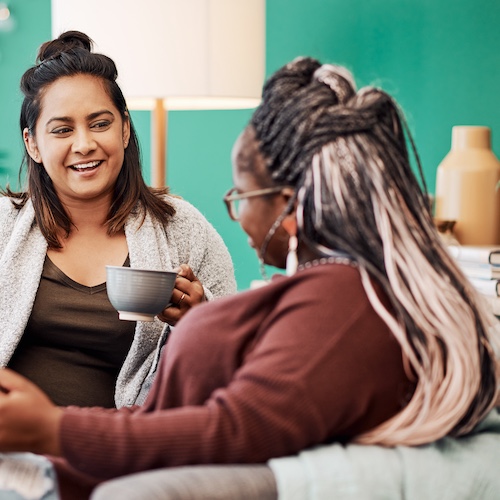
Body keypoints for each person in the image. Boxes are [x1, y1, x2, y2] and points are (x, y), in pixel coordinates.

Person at [0, 57, 498, 500]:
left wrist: (55, 431)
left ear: (289, 207)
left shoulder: (342, 304)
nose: (237, 217)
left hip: (90, 472)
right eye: (61, 129)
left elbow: (232, 427)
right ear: (34, 144)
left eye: (241, 196)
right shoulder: (332, 288)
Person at [0, 31, 236, 410]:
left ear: (124, 128)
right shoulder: (3, 227)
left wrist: (200, 320)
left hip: (130, 451)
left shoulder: (183, 229)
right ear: (32, 144)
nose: (84, 144)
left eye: (99, 124)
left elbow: (236, 360)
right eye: (62, 130)